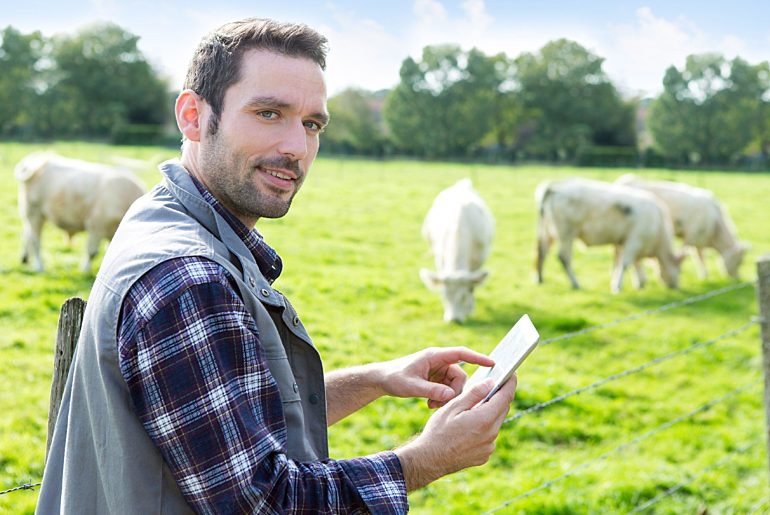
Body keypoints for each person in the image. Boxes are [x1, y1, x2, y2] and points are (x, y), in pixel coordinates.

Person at [37, 18, 517, 514]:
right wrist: (425, 459)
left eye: (311, 124)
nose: (296, 148)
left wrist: (376, 379)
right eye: (269, 113)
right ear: (193, 116)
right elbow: (264, 503)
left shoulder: (161, 213)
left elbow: (222, 423)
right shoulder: (187, 277)